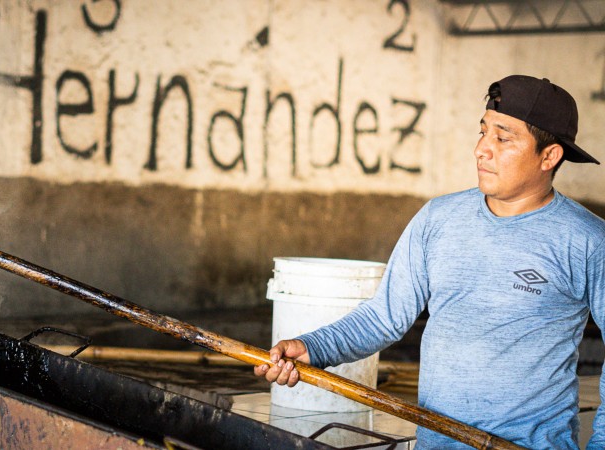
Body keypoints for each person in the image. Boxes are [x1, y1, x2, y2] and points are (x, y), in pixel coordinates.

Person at [254, 75, 605, 449]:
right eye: (482, 132)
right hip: (436, 442)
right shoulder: (438, 219)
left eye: (503, 138)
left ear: (549, 156)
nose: (481, 149)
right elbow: (384, 316)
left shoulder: (586, 240)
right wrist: (313, 348)